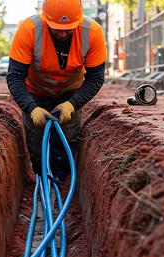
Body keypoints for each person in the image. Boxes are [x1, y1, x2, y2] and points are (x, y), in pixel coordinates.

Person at [6, 0, 107, 182]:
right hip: (35, 92)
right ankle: (40, 175)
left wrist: (72, 104)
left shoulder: (92, 32)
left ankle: (60, 177)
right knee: (37, 144)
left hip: (71, 93)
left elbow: (95, 78)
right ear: (45, 19)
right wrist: (31, 108)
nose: (62, 33)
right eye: (56, 28)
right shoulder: (29, 30)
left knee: (67, 139)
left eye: (68, 28)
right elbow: (14, 77)